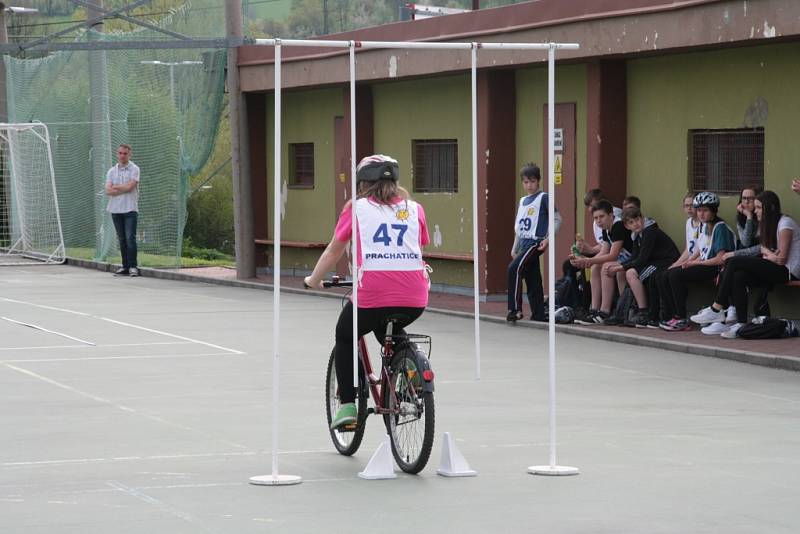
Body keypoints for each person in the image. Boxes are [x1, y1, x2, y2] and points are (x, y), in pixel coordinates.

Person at [304, 155, 429, 429]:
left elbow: (333, 251)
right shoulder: (415, 208)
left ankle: (348, 406)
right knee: (386, 323)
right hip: (415, 295)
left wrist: (313, 280)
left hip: (373, 293)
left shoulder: (357, 208)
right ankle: (410, 366)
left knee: (345, 334)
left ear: (362, 183)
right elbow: (417, 245)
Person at [690, 190, 800, 338]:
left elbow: (781, 259)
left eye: (759, 207)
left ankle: (716, 308)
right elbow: (760, 249)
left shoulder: (785, 223)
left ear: (771, 208)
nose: (755, 211)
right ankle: (740, 323)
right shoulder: (765, 225)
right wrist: (767, 253)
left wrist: (767, 254)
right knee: (738, 275)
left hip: (788, 271)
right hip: (774, 267)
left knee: (734, 262)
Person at [657, 192, 736, 331]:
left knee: (675, 275)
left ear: (714, 211)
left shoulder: (720, 227)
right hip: (704, 264)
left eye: (705, 210)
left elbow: (720, 259)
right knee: (666, 274)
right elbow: (700, 249)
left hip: (715, 268)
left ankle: (681, 318)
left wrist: (694, 263)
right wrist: (687, 261)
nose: (701, 214)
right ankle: (671, 315)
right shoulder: (704, 226)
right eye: (699, 210)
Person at [604, 206, 679, 327]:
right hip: (653, 263)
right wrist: (620, 266)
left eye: (638, 219)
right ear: (627, 226)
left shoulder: (650, 232)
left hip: (666, 262)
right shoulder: (637, 236)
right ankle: (625, 312)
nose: (636, 224)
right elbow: (634, 257)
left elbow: (642, 259)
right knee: (629, 272)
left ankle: (642, 312)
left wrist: (619, 268)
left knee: (633, 274)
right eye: (631, 222)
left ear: (642, 218)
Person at [507, 163, 560, 322]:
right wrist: (514, 247)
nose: (529, 185)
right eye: (525, 182)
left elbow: (557, 219)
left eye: (532, 181)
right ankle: (538, 313)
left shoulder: (544, 198)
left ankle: (514, 309)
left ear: (538, 181)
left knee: (514, 269)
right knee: (533, 278)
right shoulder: (522, 201)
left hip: (535, 243)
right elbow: (519, 227)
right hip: (522, 243)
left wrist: (548, 239)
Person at [571, 200, 632, 324]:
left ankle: (605, 311)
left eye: (601, 216)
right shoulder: (606, 228)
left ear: (611, 215)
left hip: (633, 257)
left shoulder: (618, 225)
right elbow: (604, 251)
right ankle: (594, 309)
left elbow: (613, 254)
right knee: (595, 267)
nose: (598, 220)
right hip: (623, 259)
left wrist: (590, 260)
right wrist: (584, 260)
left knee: (606, 267)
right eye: (596, 218)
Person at [105, 143, 140, 277]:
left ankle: (133, 266)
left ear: (129, 154)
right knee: (122, 239)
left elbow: (130, 187)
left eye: (125, 153)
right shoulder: (112, 171)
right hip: (115, 209)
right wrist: (121, 187)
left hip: (130, 209)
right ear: (117, 154)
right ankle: (125, 266)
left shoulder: (134, 169)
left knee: (130, 238)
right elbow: (108, 190)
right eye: (120, 153)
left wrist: (116, 187)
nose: (122, 156)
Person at [735, 185, 761, 249]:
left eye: (750, 198)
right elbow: (745, 243)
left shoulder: (762, 216)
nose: (746, 202)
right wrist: (749, 217)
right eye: (744, 198)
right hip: (747, 251)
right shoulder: (740, 218)